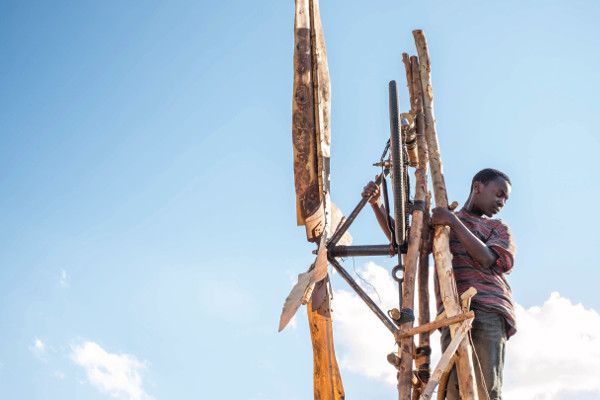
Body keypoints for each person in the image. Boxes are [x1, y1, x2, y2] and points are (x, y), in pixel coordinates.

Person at [362, 168, 516, 400]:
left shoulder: (497, 228)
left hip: (488, 308)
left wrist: (452, 221)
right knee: (453, 390)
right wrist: (377, 205)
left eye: (505, 198)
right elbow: (408, 242)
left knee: (485, 388)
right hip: (451, 312)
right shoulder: (440, 225)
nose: (502, 202)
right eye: (499, 193)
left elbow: (487, 259)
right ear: (477, 187)